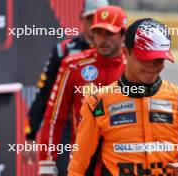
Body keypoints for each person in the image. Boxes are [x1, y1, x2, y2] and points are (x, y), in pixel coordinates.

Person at [68, 18, 178, 176]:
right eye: (145, 59)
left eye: (159, 59)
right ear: (125, 52)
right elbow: (79, 166)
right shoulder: (97, 102)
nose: (152, 66)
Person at [39, 5, 128, 176]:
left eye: (110, 33)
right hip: (83, 161)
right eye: (98, 32)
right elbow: (55, 116)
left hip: (123, 161)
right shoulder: (73, 65)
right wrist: (47, 162)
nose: (103, 39)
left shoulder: (133, 68)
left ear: (123, 35)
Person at [23, 0, 108, 166]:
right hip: (70, 128)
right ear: (81, 19)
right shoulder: (64, 51)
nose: (94, 25)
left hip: (108, 129)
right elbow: (44, 93)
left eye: (99, 20)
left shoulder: (121, 54)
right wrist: (30, 135)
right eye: (90, 18)